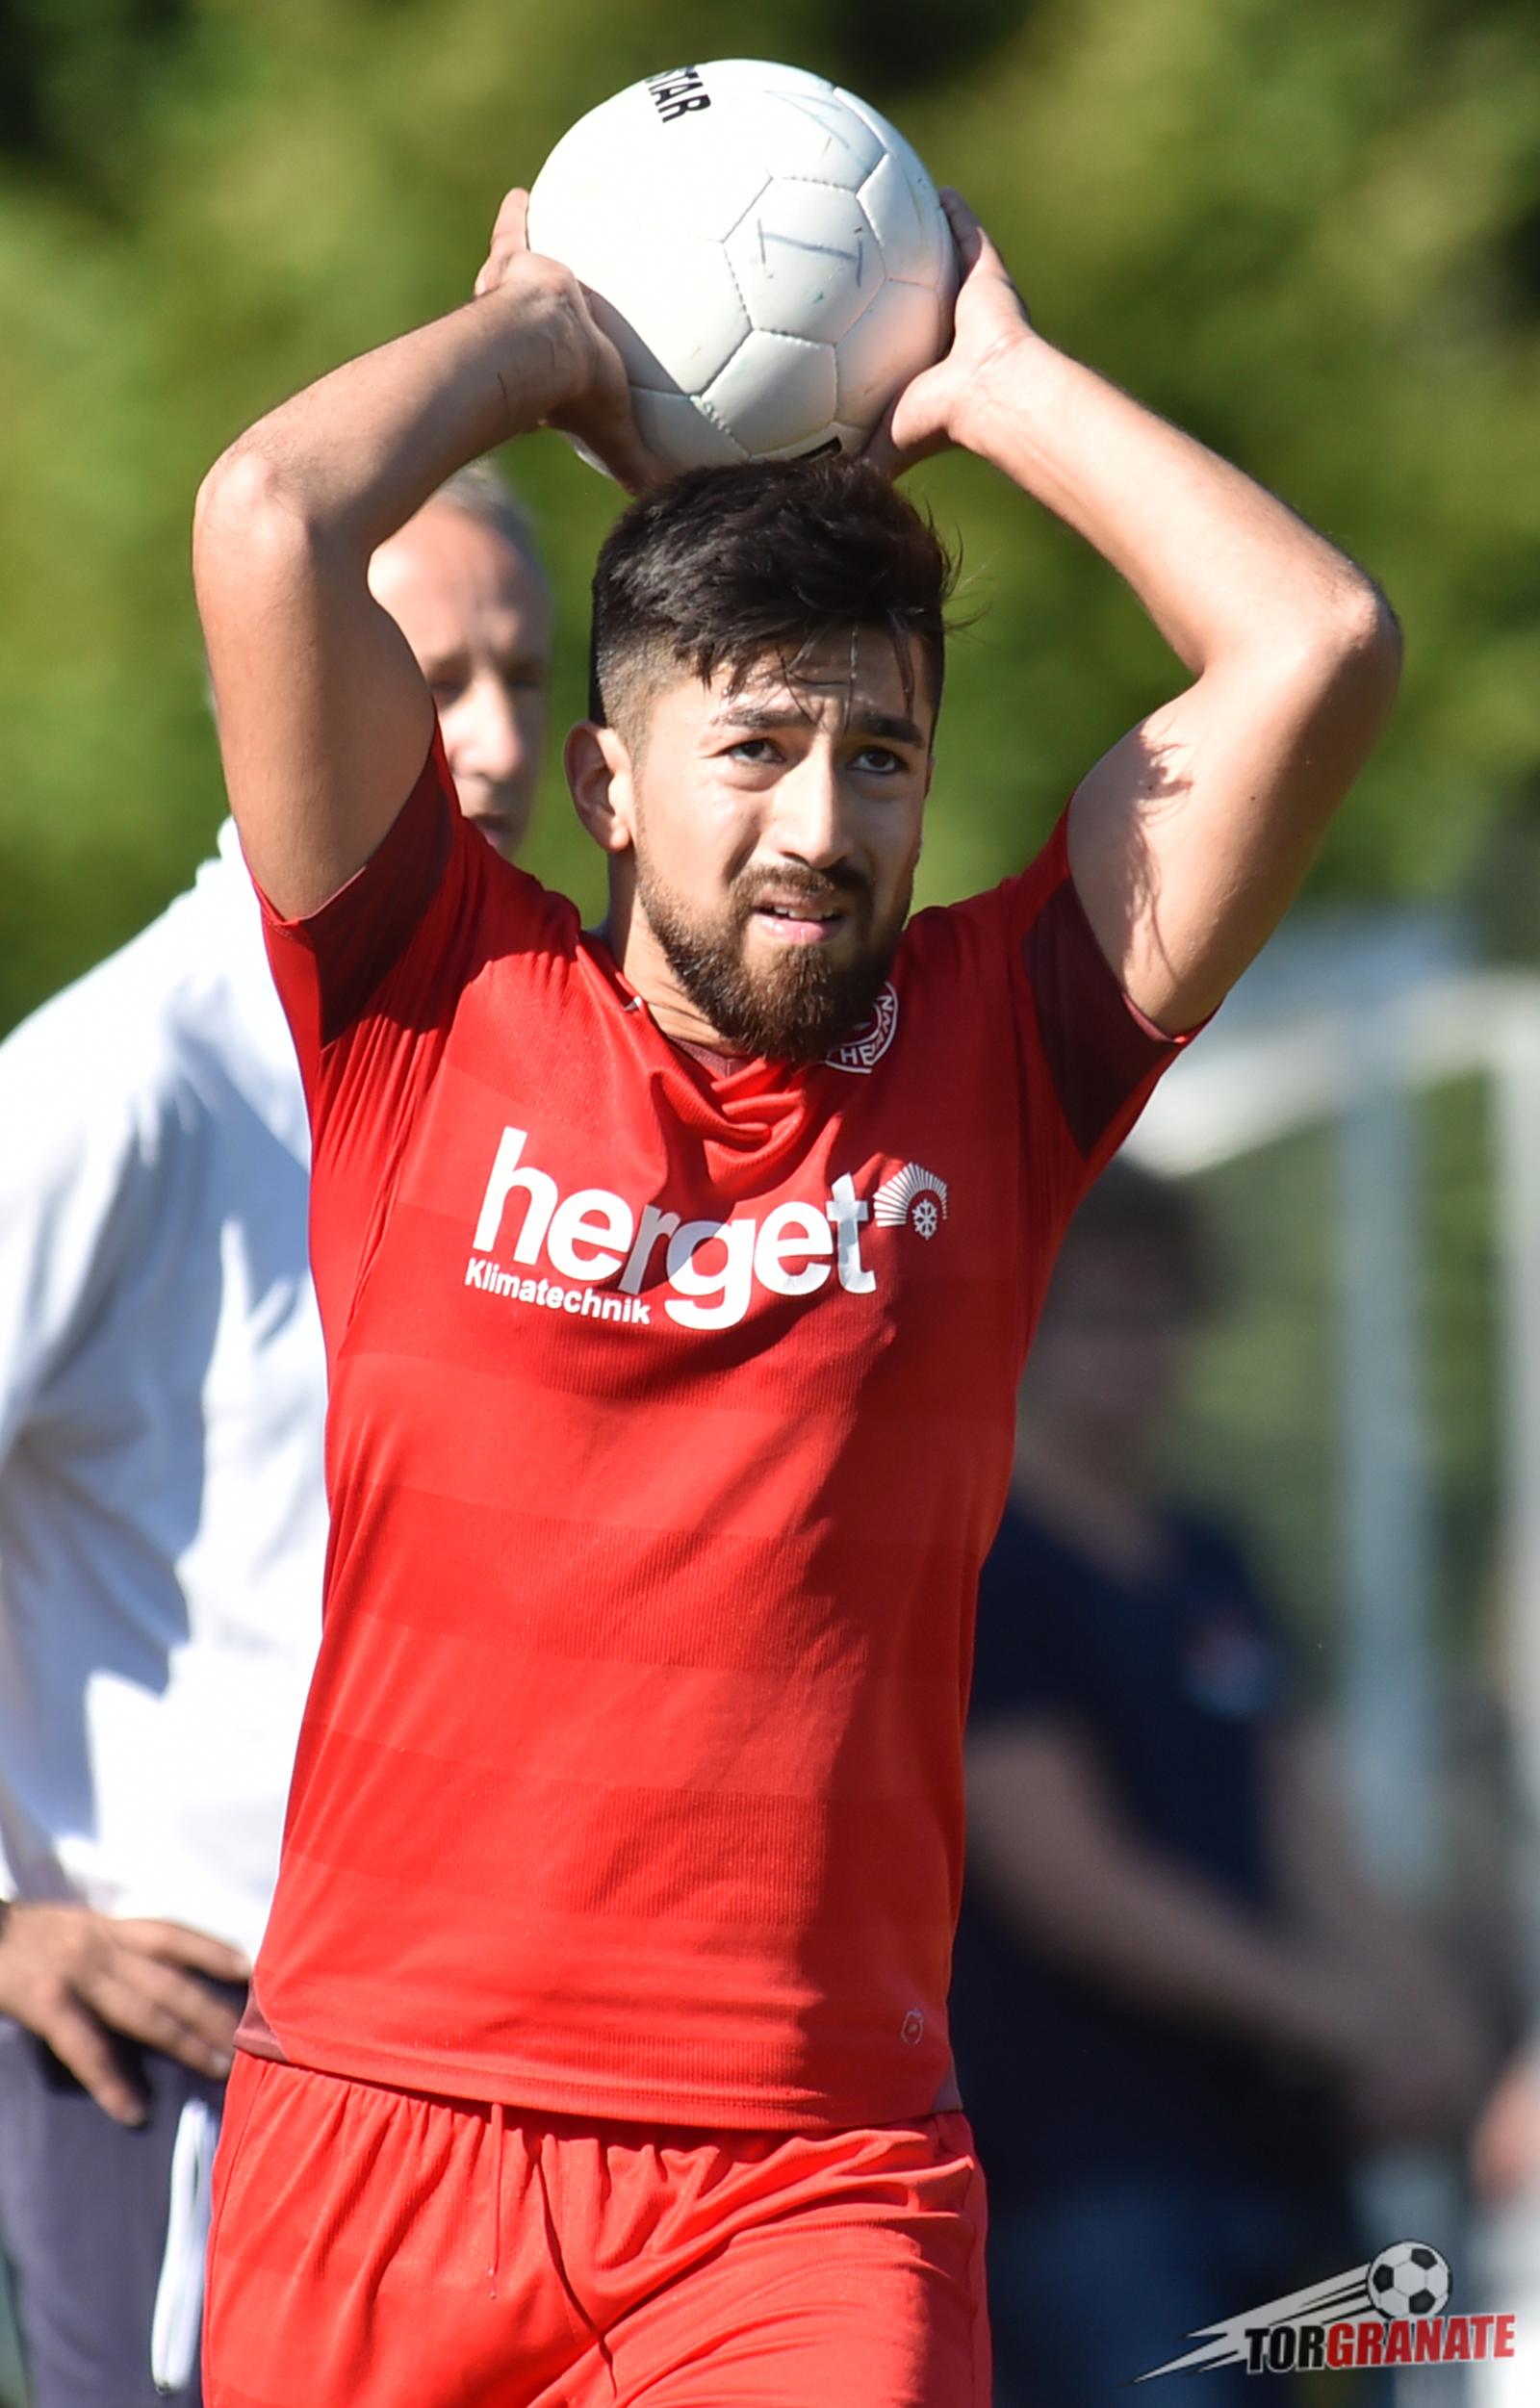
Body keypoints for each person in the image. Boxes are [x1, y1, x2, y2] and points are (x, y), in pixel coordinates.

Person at [190, 180, 1402, 2407]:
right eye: (752, 748)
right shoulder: (420, 995)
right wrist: (543, 342)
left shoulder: (1005, 1051)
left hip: (804, 2181)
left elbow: (1311, 643)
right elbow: (271, 517)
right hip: (374, 2142)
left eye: (880, 755)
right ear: (603, 783)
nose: (822, 826)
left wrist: (999, 388)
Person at [0, 463, 550, 2408]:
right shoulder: (122, 1078)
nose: (501, 741)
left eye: (528, 676)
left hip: (478, 2062)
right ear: (277, 674)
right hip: (190, 2057)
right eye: (437, 676)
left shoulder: (512, 1049)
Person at [949, 1160, 1482, 2406]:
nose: (1140, 1353)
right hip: (1084, 2174)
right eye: (1103, 1315)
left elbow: (1304, 1822)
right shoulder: (988, 1560)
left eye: (1162, 1312)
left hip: (1279, 2154)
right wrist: (1338, 2020)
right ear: (1023, 1318)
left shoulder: (1208, 1558)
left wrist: (1427, 2014)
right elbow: (1074, 1887)